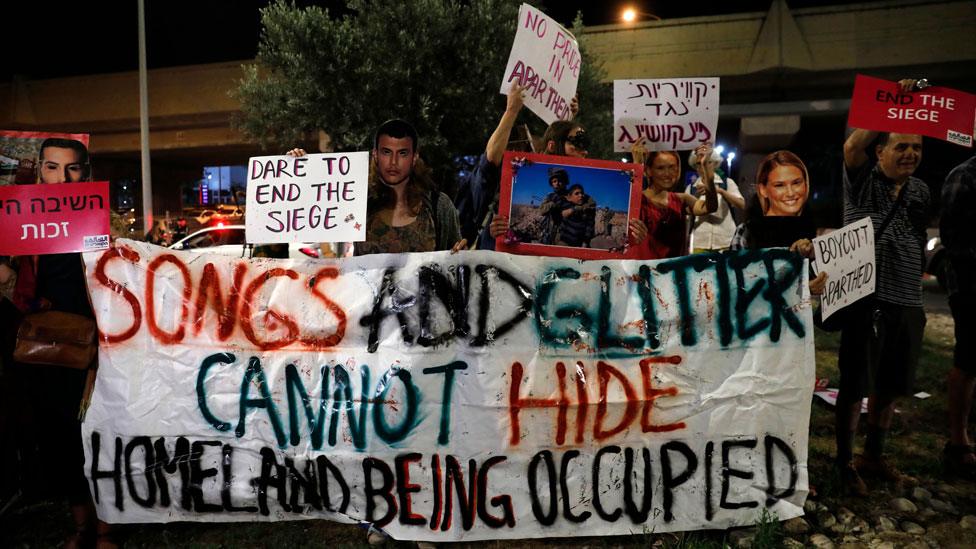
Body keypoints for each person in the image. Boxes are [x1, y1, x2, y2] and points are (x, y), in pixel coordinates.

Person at [8, 138, 117, 547]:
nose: (62, 177)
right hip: (42, 349)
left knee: (96, 433)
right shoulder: (22, 221)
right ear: (40, 169)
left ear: (85, 173)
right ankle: (81, 526)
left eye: (71, 169)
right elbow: (14, 286)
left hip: (91, 345)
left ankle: (107, 528)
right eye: (52, 167)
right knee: (59, 437)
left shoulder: (95, 218)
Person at [835, 79, 930, 495]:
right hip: (866, 301)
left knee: (890, 386)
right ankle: (843, 462)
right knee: (856, 385)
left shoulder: (922, 190)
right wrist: (889, 106)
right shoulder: (863, 180)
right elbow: (850, 149)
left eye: (917, 147)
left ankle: (873, 455)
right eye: (901, 146)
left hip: (907, 303)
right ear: (881, 152)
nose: (910, 153)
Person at [289, 119, 462, 255]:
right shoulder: (357, 202)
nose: (393, 162)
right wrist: (296, 171)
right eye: (386, 152)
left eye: (402, 153)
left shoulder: (439, 206)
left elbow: (454, 263)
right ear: (376, 155)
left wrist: (460, 253)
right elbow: (308, 228)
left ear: (414, 158)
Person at [940, 152, 976, 478]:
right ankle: (958, 441)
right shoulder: (963, 175)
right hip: (971, 287)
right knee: (968, 361)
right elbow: (953, 237)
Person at [629, 139, 718, 259]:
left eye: (672, 167)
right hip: (642, 273)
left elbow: (710, 207)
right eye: (660, 168)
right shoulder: (636, 199)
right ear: (648, 171)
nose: (668, 173)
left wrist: (707, 170)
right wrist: (637, 167)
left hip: (675, 273)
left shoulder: (681, 200)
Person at [686, 147, 744, 253]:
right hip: (700, 241)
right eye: (698, 164)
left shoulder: (727, 183)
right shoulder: (691, 188)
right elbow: (686, 212)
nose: (703, 166)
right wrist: (696, 195)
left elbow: (742, 204)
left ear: (715, 164)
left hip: (725, 240)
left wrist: (720, 191)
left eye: (709, 162)